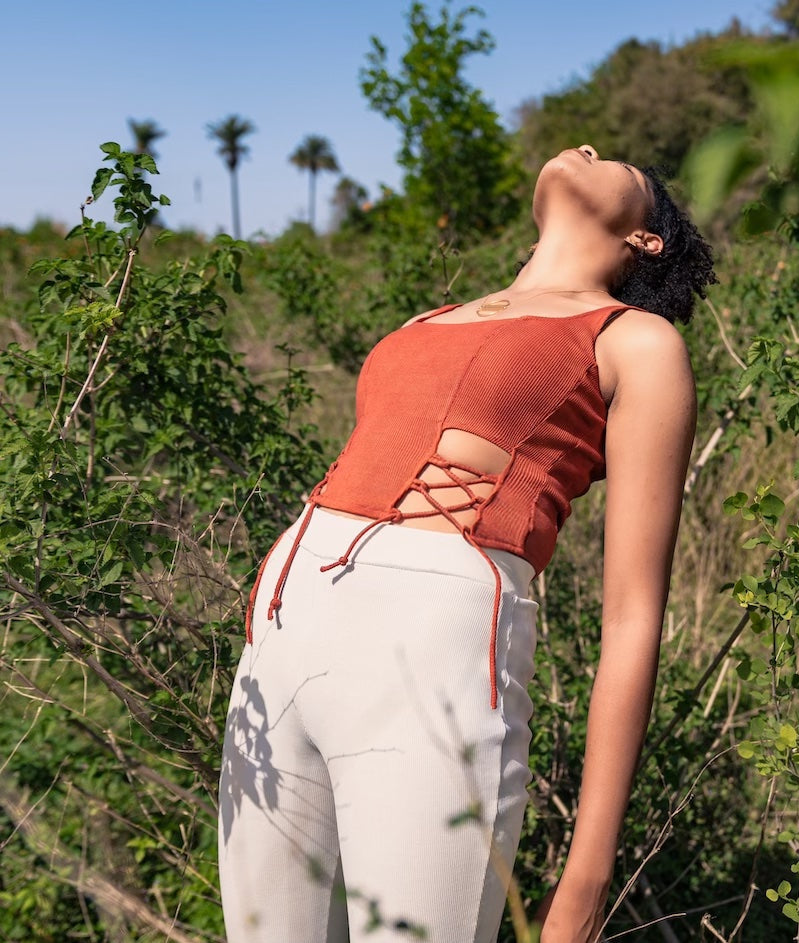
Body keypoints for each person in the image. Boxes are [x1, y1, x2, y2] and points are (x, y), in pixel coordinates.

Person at [217, 143, 716, 943]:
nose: (585, 148)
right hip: (281, 633)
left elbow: (632, 616)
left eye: (615, 162)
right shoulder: (430, 319)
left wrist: (582, 885)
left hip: (436, 635)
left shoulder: (635, 341)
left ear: (645, 239)